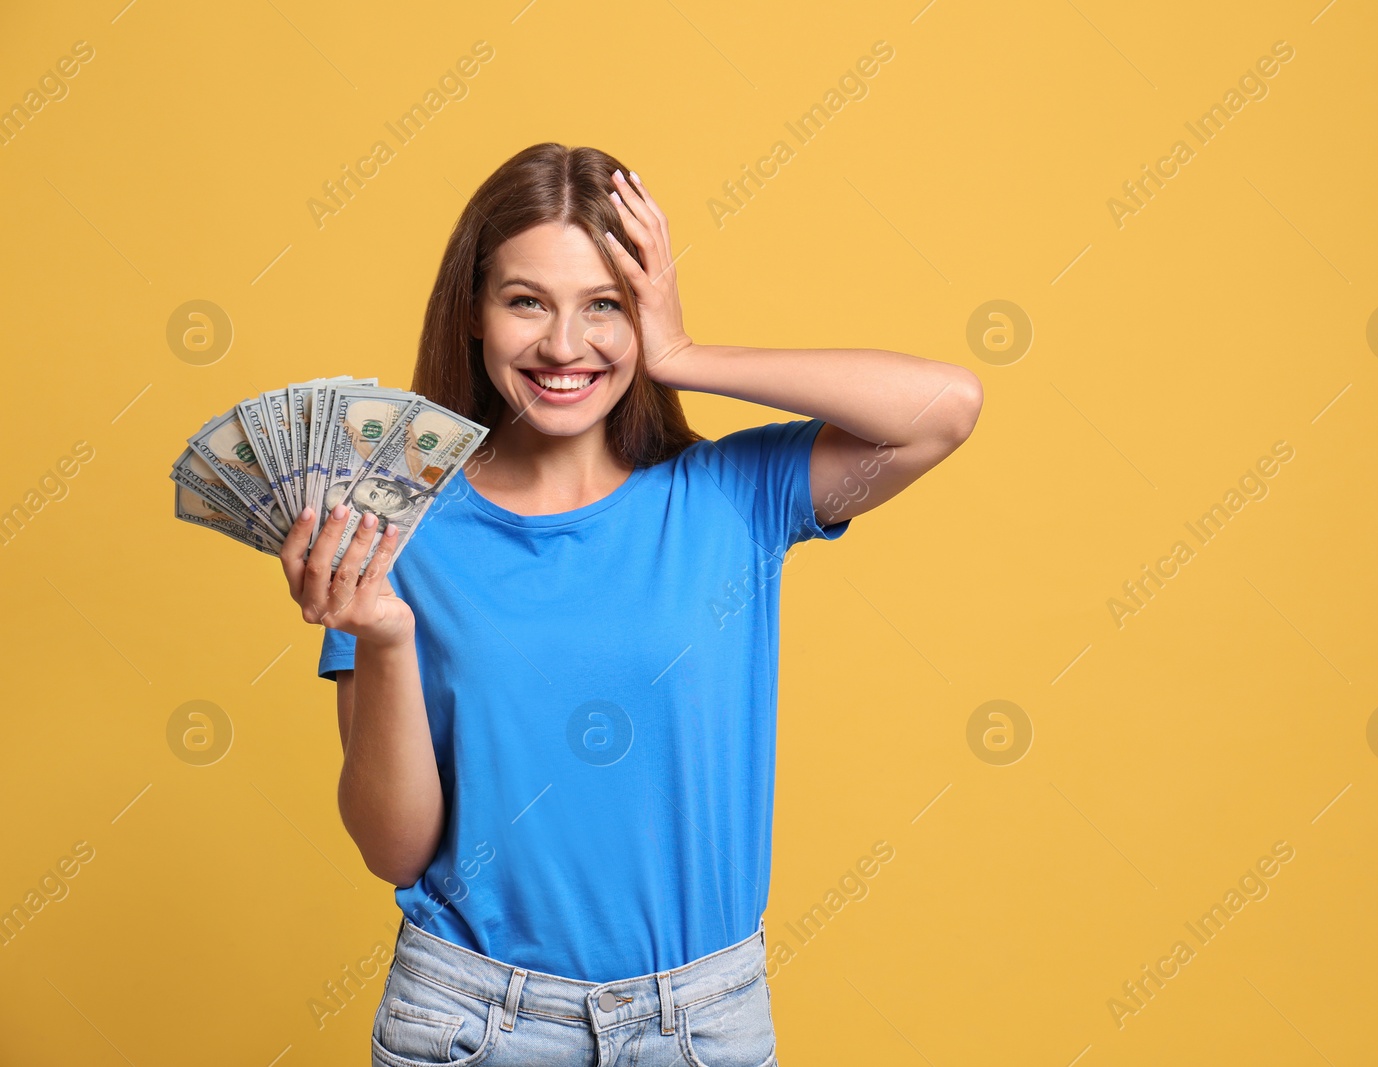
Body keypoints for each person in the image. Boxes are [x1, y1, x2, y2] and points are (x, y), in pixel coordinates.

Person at [278, 142, 982, 1066]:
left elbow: (945, 406)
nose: (565, 346)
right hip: (472, 1021)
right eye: (527, 300)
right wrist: (386, 639)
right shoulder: (396, 522)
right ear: (473, 317)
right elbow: (393, 850)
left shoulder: (733, 496)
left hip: (702, 1023)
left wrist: (686, 353)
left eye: (603, 304)